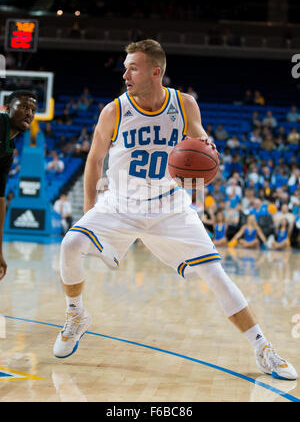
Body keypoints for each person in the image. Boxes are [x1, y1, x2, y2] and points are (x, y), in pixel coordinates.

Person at [53, 39, 297, 380]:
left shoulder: (184, 105)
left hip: (171, 208)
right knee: (70, 245)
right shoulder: (114, 111)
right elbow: (94, 162)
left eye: (132, 67)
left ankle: (262, 348)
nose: (125, 74)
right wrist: (89, 214)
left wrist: (208, 159)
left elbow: (202, 142)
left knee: (215, 274)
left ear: (156, 72)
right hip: (121, 204)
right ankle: (76, 314)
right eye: (125, 67)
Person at [0, 90, 38, 280]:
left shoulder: (8, 150)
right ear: (7, 109)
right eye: (23, 107)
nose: (29, 113)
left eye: (33, 109)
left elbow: (0, 200)